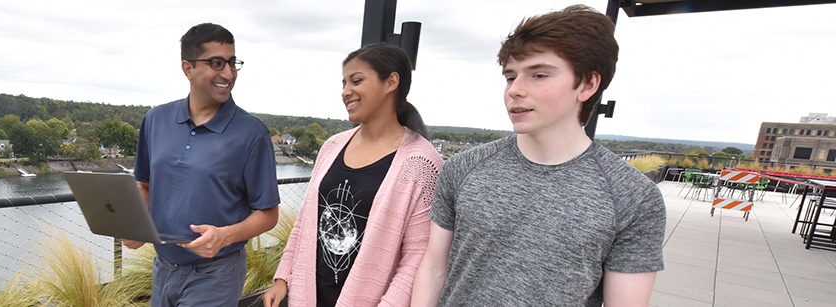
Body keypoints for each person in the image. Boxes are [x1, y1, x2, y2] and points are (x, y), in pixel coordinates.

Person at [411, 5, 665, 306]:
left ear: (588, 84)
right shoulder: (462, 168)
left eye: (539, 75)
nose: (515, 90)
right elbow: (434, 268)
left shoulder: (633, 197)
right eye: (510, 77)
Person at [263, 43, 443, 307]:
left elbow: (417, 257)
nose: (346, 92)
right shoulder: (331, 147)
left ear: (391, 81)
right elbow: (305, 223)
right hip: (307, 298)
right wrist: (283, 279)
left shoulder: (422, 162)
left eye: (356, 81)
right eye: (344, 83)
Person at [131, 22, 280, 307]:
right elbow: (144, 185)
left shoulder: (252, 134)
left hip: (217, 274)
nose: (228, 73)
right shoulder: (155, 119)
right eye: (216, 63)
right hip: (163, 268)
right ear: (188, 68)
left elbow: (268, 214)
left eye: (232, 63)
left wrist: (224, 236)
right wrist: (136, 226)